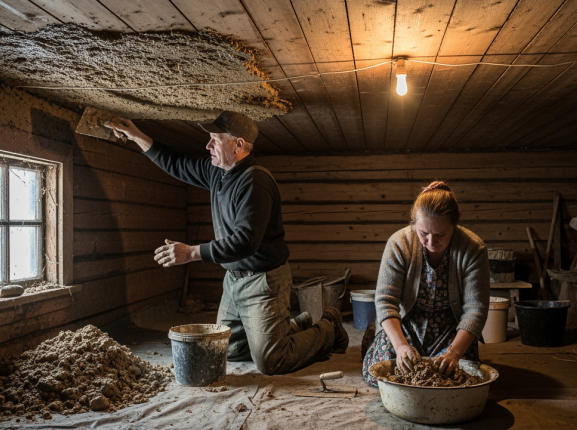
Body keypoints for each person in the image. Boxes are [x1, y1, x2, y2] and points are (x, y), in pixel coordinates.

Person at [105, 111, 348, 375]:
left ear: (238, 145)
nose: (208, 145)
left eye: (215, 139)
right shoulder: (217, 172)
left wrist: (192, 253)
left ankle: (329, 327)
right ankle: (292, 327)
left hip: (262, 280)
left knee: (272, 361)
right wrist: (136, 135)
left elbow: (245, 242)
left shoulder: (255, 182)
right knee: (225, 349)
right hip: (233, 281)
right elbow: (176, 163)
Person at [362, 181, 489, 386]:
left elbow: (476, 310)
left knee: (454, 377)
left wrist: (454, 353)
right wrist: (401, 346)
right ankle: (376, 338)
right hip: (406, 323)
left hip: (451, 329)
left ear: (454, 227)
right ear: (414, 224)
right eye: (423, 233)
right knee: (386, 374)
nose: (430, 242)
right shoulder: (399, 244)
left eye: (440, 234)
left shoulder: (473, 249)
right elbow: (385, 301)